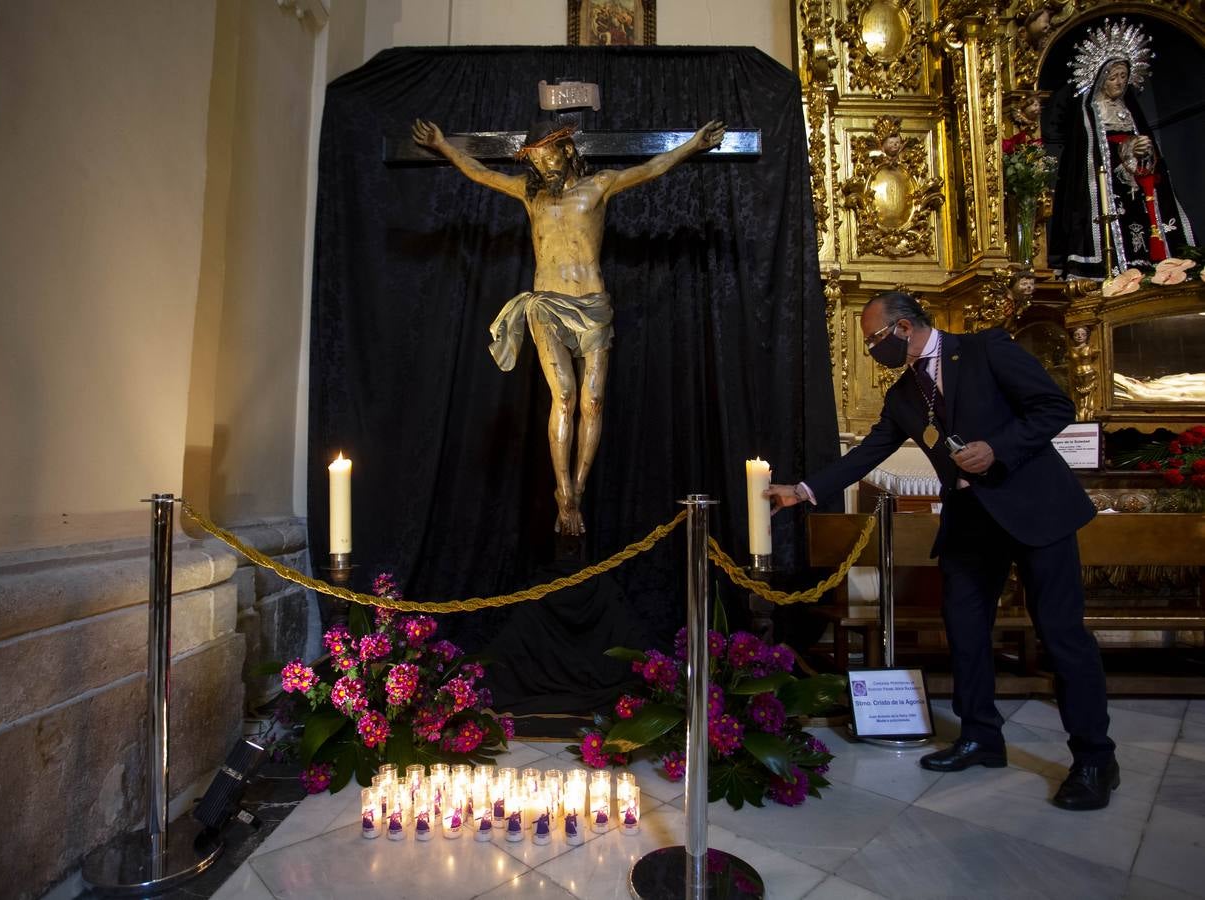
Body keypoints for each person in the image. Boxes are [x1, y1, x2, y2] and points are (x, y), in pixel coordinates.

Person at [764, 291, 1119, 811]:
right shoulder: (904, 395)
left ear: (904, 327)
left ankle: (1094, 757)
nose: (871, 351)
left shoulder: (985, 349)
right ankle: (981, 737)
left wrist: (998, 448)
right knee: (965, 630)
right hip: (971, 521)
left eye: (874, 340)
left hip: (1034, 509)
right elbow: (869, 451)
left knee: (1062, 635)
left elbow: (1054, 407)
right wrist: (801, 491)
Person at [412, 118, 725, 535]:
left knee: (593, 402)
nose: (544, 165)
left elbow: (651, 168)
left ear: (567, 150)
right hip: (546, 304)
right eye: (536, 159)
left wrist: (691, 146)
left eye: (549, 154)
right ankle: (563, 494)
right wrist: (444, 145)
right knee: (564, 395)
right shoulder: (531, 195)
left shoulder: (598, 187)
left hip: (593, 304)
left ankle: (576, 490)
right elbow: (483, 174)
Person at [1050, 18, 1195, 279]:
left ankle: (1157, 265)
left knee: (1144, 218)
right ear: (1101, 79)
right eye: (1113, 77)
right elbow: (1088, 156)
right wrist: (1127, 150)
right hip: (1107, 185)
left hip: (1137, 183)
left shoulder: (1130, 111)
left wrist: (1145, 150)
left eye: (1124, 76)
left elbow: (1147, 150)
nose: (1119, 82)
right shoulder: (1090, 112)